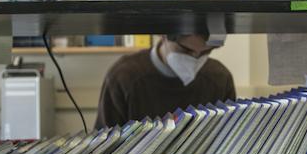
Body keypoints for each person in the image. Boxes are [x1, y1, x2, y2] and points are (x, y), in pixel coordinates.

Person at [95, 33, 236, 128]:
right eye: (186, 50)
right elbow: (104, 144)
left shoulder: (219, 78)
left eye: (205, 52)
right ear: (164, 36)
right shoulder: (125, 77)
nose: (194, 59)